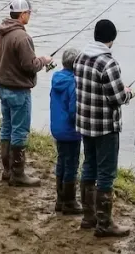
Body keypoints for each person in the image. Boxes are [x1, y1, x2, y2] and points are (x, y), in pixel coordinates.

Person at [75, 19, 134, 237]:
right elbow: (117, 97)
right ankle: (105, 223)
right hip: (106, 127)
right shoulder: (109, 64)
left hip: (84, 123)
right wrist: (128, 92)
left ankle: (88, 217)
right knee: (106, 173)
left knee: (88, 166)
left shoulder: (80, 58)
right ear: (112, 39)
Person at [0, 0, 53, 187]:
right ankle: (18, 174)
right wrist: (43, 60)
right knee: (19, 131)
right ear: (22, 15)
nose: (29, 16)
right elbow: (30, 66)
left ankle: (7, 170)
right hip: (18, 91)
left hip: (2, 87)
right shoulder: (22, 37)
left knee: (6, 127)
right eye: (28, 13)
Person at [50, 46, 84, 214]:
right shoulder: (74, 83)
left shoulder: (56, 78)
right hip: (71, 132)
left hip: (57, 128)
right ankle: (69, 202)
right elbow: (73, 112)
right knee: (71, 165)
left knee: (62, 162)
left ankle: (60, 200)